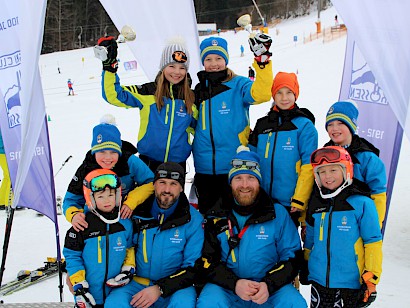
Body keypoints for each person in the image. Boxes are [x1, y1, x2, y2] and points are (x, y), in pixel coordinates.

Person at [196, 146, 307, 307]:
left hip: (269, 290)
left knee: (294, 303)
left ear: (259, 181)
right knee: (209, 303)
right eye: (238, 178)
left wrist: (269, 284)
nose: (245, 185)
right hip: (228, 289)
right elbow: (207, 260)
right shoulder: (216, 215)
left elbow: (293, 258)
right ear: (230, 182)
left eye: (251, 178)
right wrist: (234, 283)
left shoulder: (278, 214)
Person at [104, 162, 204, 308]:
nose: (167, 189)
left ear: (182, 187)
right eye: (162, 183)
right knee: (114, 304)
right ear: (154, 185)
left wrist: (161, 288)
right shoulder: (134, 212)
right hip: (135, 283)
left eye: (173, 184)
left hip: (176, 287)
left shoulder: (193, 220)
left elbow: (193, 267)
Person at [192, 34, 273, 214]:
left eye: (219, 58)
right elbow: (192, 123)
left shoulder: (238, 85)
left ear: (226, 60)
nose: (214, 63)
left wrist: (263, 63)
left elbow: (262, 94)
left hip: (234, 165)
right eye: (209, 59)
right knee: (208, 218)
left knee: (233, 218)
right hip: (204, 167)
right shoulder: (198, 90)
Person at [97, 36, 196, 173]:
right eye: (171, 66)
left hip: (177, 166)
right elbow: (114, 95)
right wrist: (110, 67)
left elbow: (201, 130)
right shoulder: (148, 92)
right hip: (148, 163)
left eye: (182, 68)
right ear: (163, 67)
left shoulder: (191, 99)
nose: (177, 72)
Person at [301, 146, 382, 307]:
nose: (327, 176)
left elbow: (372, 242)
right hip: (319, 282)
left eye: (333, 170)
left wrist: (371, 278)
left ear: (347, 170)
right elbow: (310, 240)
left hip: (350, 283)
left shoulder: (362, 203)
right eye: (321, 172)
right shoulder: (316, 204)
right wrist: (306, 264)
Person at [62, 114, 154, 232]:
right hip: (95, 223)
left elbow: (151, 182)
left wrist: (131, 202)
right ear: (94, 152)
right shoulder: (86, 168)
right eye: (102, 152)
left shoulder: (129, 161)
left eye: (113, 152)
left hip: (124, 220)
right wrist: (74, 215)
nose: (108, 158)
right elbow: (71, 200)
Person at [248, 72, 318, 226]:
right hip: (262, 199)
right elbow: (250, 159)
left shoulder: (304, 126)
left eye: (289, 92)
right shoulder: (262, 124)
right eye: (279, 92)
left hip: (290, 201)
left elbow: (309, 166)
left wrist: (300, 198)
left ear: (296, 94)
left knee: (287, 244)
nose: (284, 97)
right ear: (273, 94)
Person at [64, 169, 136, 308]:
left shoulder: (125, 223)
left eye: (111, 195)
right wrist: (79, 285)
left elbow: (129, 247)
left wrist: (128, 268)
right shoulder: (82, 225)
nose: (107, 201)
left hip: (115, 293)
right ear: (91, 198)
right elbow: (72, 256)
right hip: (87, 295)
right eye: (101, 196)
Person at [324, 100, 386, 228]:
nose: (334, 129)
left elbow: (378, 194)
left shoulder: (367, 157)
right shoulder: (324, 154)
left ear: (351, 125)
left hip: (358, 223)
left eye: (340, 123)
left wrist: (373, 228)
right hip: (331, 223)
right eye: (330, 124)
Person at [0, 128, 12, 210]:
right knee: (11, 176)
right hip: (4, 151)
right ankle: (9, 202)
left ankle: (2, 201)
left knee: (7, 176)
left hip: (3, 151)